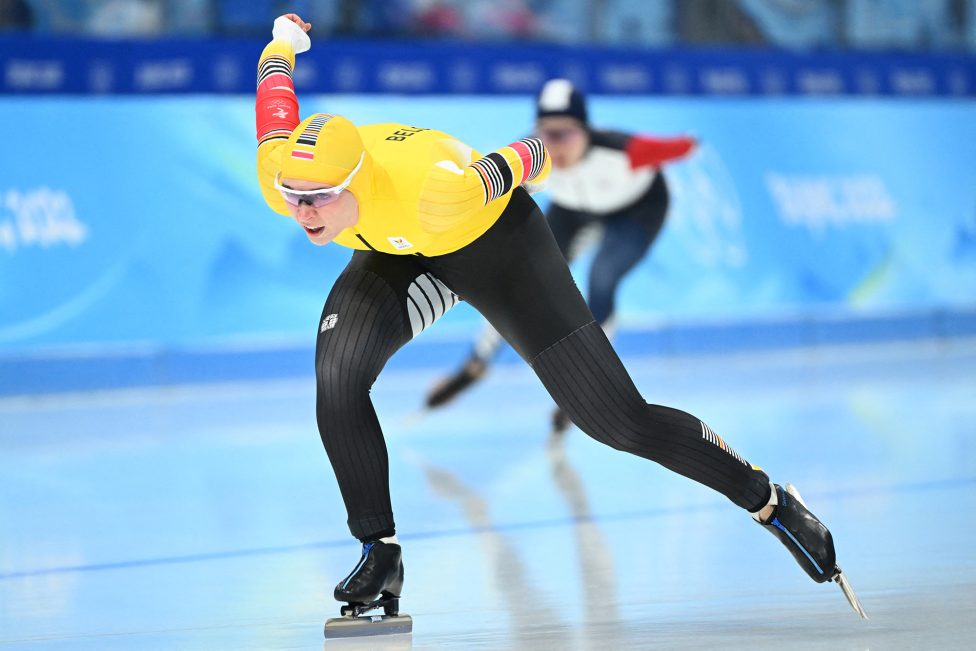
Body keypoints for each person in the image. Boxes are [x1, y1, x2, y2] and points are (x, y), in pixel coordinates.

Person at [254, 13, 866, 634]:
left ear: (356, 180)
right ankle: (377, 553)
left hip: (491, 245)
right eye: (294, 196)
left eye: (320, 197)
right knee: (337, 375)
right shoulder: (283, 173)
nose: (302, 211)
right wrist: (285, 43)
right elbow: (275, 88)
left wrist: (546, 149)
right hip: (397, 248)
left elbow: (527, 158)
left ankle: (767, 500)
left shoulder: (442, 191)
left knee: (617, 421)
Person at [425, 78, 697, 436]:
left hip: (637, 211)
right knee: (518, 277)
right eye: (546, 134)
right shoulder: (529, 155)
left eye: (565, 135)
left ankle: (591, 385)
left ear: (585, 130)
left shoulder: (625, 150)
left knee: (602, 277)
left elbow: (683, 146)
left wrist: (688, 143)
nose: (554, 147)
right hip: (574, 210)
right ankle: (475, 366)